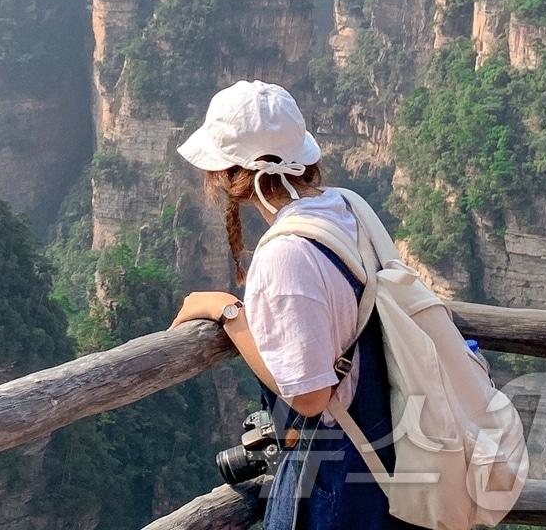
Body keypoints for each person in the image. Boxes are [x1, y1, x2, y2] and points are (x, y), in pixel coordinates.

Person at [168, 80, 409, 530]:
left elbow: (313, 396)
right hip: (387, 451)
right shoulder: (347, 208)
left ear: (229, 175)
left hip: (338, 485)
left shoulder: (285, 254)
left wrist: (229, 313)